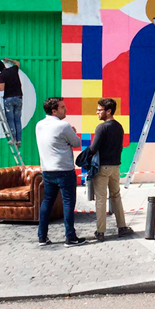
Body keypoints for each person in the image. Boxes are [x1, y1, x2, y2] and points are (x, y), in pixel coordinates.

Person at [36, 97, 85, 247]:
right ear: (54, 110)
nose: (66, 109)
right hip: (64, 170)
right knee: (68, 203)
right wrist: (73, 133)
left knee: (47, 202)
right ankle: (70, 237)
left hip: (47, 170)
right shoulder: (63, 126)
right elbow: (76, 143)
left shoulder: (39, 125)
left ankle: (42, 237)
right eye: (63, 107)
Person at [87, 98, 134, 241]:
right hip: (116, 166)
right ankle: (122, 227)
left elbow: (93, 148)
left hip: (102, 167)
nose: (97, 112)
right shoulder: (119, 126)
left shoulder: (101, 128)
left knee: (101, 199)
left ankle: (100, 232)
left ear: (108, 111)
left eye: (99, 110)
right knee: (116, 196)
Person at [0, 58, 23, 148]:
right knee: (17, 120)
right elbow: (18, 62)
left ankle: (13, 139)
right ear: (3, 64)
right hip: (19, 97)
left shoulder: (1, 75)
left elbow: (1, 88)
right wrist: (9, 60)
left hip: (9, 99)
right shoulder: (13, 69)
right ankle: (19, 141)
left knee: (10, 120)